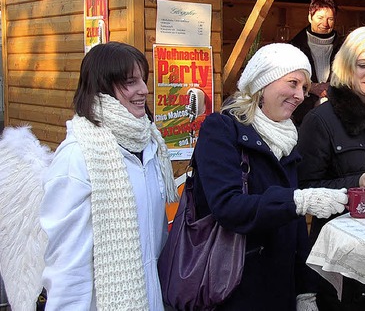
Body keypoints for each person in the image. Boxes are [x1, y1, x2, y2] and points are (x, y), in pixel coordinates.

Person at [192, 43, 348, 310]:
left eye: (304, 87)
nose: (300, 95)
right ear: (263, 83)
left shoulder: (288, 138)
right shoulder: (222, 130)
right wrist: (298, 201)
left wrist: (305, 291)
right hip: (232, 288)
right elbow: (227, 206)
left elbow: (296, 226)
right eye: (292, 83)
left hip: (280, 289)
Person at [40, 42, 179, 310]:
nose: (143, 90)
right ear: (102, 88)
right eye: (130, 82)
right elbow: (66, 265)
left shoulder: (150, 145)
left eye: (143, 79)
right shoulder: (77, 157)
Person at [297, 26, 365, 310]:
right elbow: (304, 191)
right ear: (348, 66)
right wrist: (353, 184)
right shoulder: (320, 121)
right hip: (343, 264)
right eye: (363, 65)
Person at [289, 0, 344, 126]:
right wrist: (310, 87)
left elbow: (354, 78)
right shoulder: (293, 47)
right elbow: (284, 81)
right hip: (301, 117)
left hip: (339, 115)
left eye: (330, 19)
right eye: (320, 17)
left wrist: (334, 88)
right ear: (310, 17)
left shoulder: (346, 47)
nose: (325, 23)